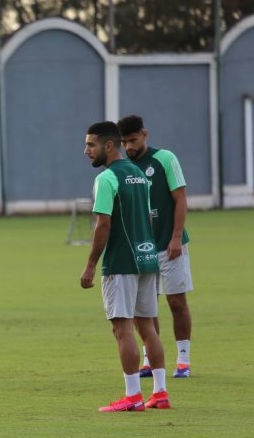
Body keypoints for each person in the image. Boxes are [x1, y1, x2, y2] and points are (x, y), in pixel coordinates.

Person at [80, 121, 170, 412]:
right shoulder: (139, 174)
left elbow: (103, 223)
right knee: (148, 327)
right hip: (147, 259)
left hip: (121, 262)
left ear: (108, 145)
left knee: (122, 330)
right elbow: (148, 218)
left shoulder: (107, 179)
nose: (86, 151)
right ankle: (160, 392)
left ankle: (132, 396)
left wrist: (91, 264)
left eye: (91, 145)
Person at [118, 115, 194, 379]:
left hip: (170, 244)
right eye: (124, 142)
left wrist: (175, 237)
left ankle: (183, 359)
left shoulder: (165, 159)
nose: (129, 147)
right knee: (146, 308)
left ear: (145, 134)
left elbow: (180, 198)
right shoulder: (123, 167)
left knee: (176, 302)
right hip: (142, 250)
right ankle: (150, 358)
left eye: (133, 140)